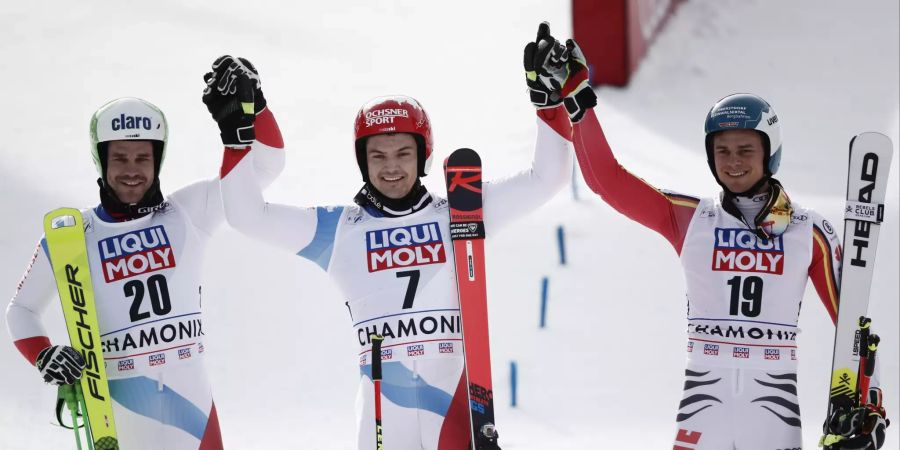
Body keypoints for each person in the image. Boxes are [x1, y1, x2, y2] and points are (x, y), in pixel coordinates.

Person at [524, 25, 890, 450]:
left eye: (745, 150)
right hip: (704, 403)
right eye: (722, 151)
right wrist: (578, 100)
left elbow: (854, 328)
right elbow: (606, 181)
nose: (733, 162)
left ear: (770, 152)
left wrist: (871, 408)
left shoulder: (809, 231)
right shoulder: (690, 218)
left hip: (772, 410)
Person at [215, 35, 574, 448]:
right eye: (378, 156)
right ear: (362, 160)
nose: (390, 168)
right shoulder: (339, 229)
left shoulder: (460, 210)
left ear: (423, 156)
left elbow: (548, 178)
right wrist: (241, 131)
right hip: (383, 421)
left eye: (403, 153)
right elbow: (246, 215)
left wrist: (548, 102)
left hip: (456, 415)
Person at [5, 56, 284, 449]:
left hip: (193, 404)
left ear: (158, 159)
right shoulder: (73, 236)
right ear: (100, 160)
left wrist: (256, 104)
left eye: (143, 158)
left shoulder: (190, 211)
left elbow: (267, 167)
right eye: (119, 157)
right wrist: (44, 355)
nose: (131, 170)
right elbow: (21, 310)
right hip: (119, 408)